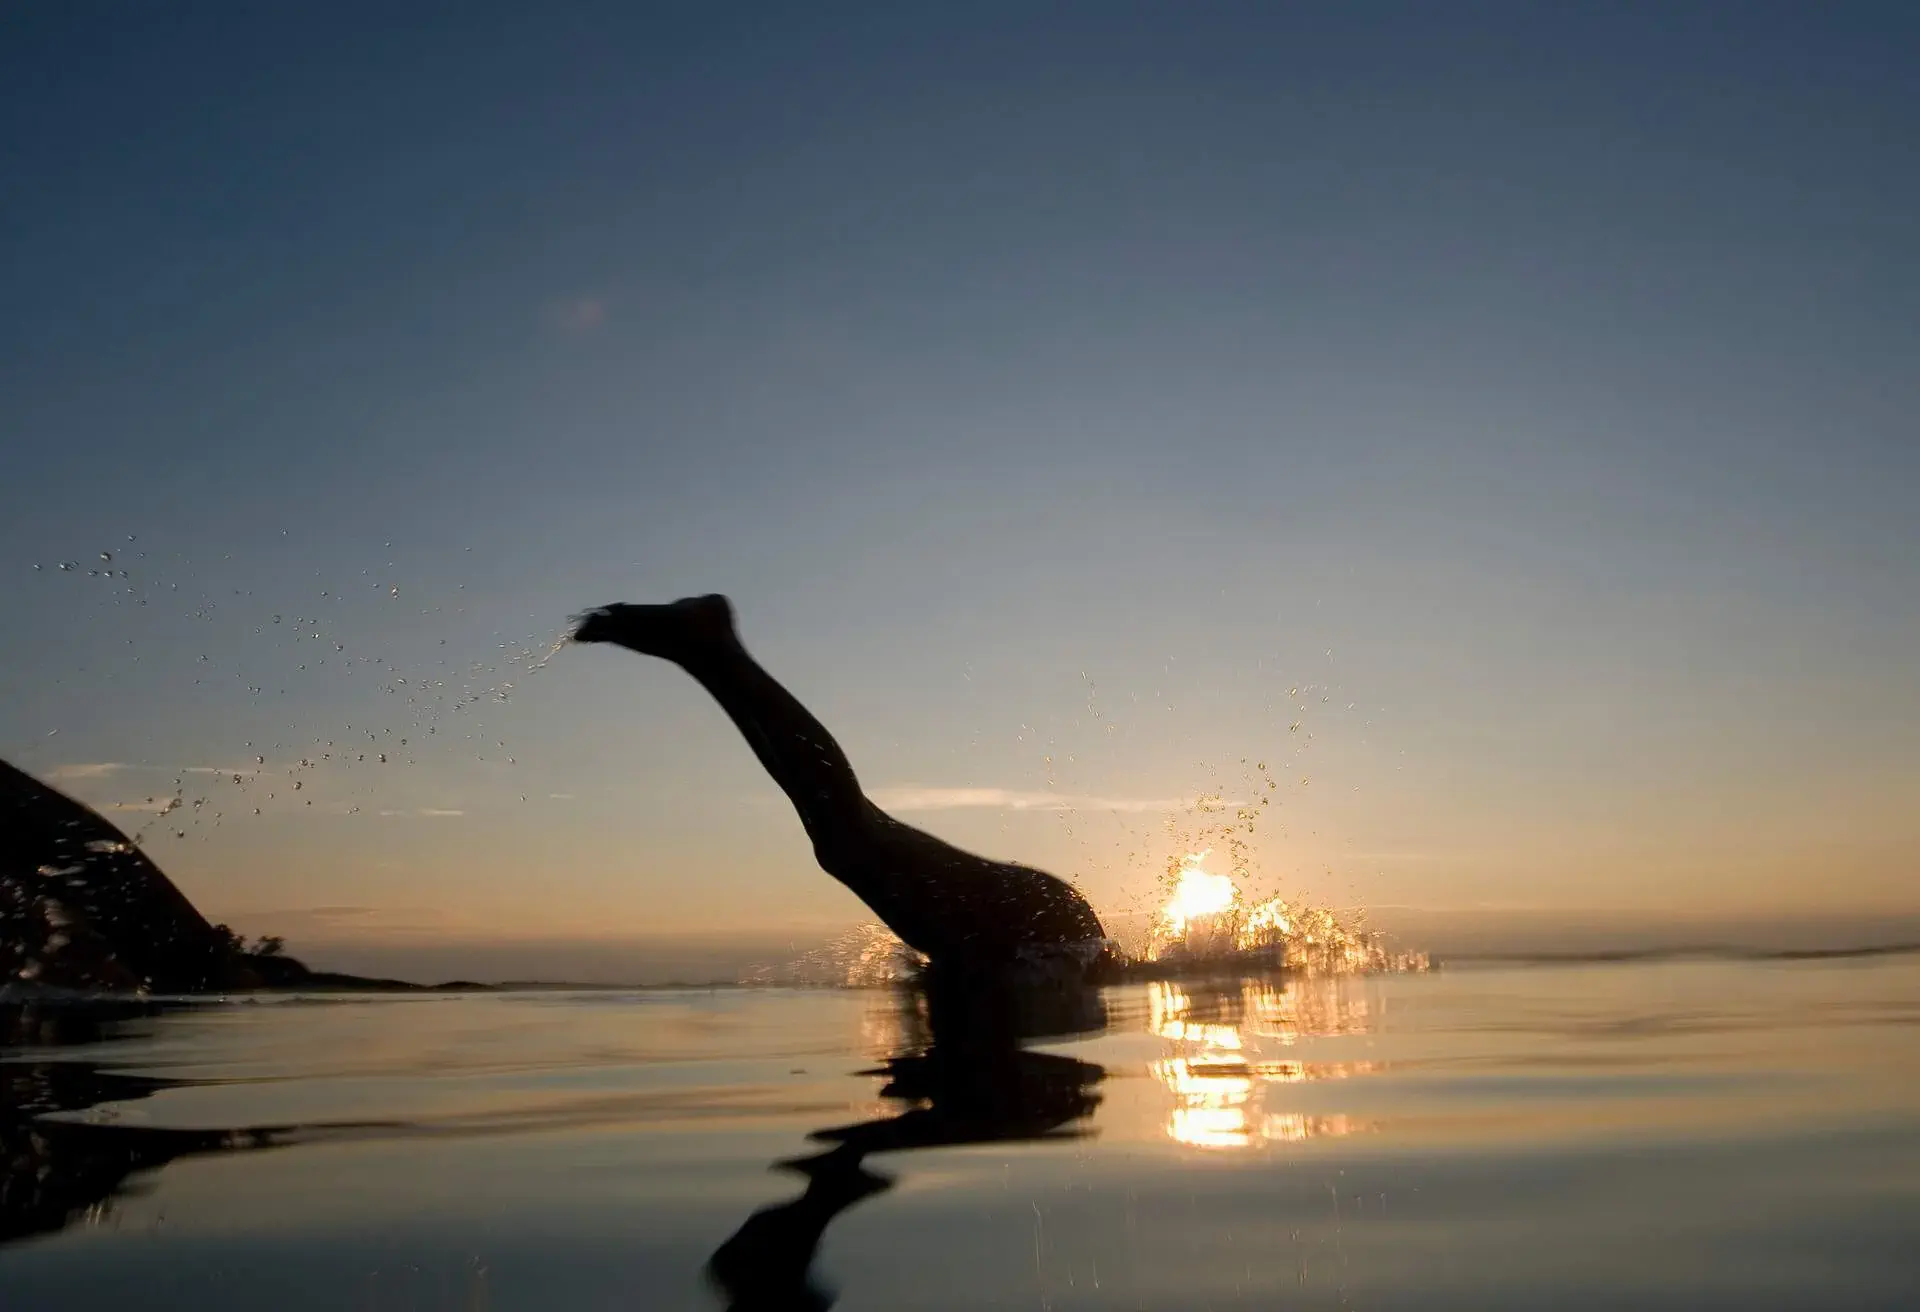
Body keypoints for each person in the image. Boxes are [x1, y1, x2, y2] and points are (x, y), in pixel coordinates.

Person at [571, 595, 1111, 976]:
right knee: (849, 837)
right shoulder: (1064, 968)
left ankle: (704, 655)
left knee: (843, 839)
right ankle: (712, 650)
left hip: (1032, 929)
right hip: (1032, 930)